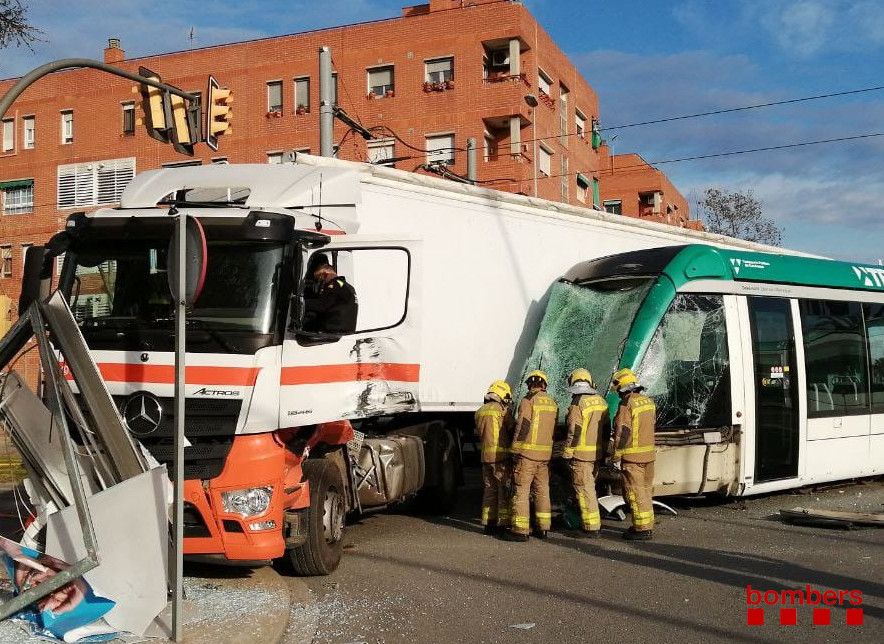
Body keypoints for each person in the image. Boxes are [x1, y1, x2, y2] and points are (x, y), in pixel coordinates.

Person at [505, 370, 558, 542]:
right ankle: (543, 528)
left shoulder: (528, 401)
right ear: (544, 385)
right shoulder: (552, 403)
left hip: (527, 455)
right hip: (544, 456)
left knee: (521, 491)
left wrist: (515, 449)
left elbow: (523, 425)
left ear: (530, 384)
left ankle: (520, 530)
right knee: (542, 490)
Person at [610, 367, 657, 541]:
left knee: (635, 493)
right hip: (649, 455)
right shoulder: (648, 402)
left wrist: (616, 455)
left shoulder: (626, 405)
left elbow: (623, 433)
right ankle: (647, 524)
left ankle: (642, 529)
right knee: (645, 491)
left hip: (633, 457)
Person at [563, 368, 609, 538]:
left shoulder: (578, 403)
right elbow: (606, 429)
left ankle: (591, 527)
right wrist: (603, 451)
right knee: (591, 489)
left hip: (581, 456)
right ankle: (591, 523)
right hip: (596, 454)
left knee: (584, 490)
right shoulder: (601, 401)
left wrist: (567, 453)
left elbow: (574, 431)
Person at [474, 380, 515, 535]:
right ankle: (503, 523)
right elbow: (512, 429)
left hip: (485, 457)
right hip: (501, 456)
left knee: (489, 489)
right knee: (503, 490)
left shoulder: (479, 411)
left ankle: (488, 523)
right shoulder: (502, 411)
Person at [302, 262, 358, 334]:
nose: (322, 281)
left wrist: (301, 302)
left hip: (333, 330)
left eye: (320, 277)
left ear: (326, 272)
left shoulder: (335, 284)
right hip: (342, 331)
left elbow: (322, 305)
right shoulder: (347, 286)